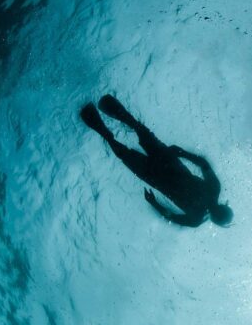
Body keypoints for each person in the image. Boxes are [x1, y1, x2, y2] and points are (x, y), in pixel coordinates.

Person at [79, 94, 233, 227]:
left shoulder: (208, 199)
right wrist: (154, 203)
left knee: (137, 133)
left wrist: (182, 153)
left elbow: (203, 164)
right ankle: (98, 119)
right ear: (216, 218)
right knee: (131, 141)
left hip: (163, 167)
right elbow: (170, 216)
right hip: (160, 170)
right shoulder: (203, 208)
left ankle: (102, 115)